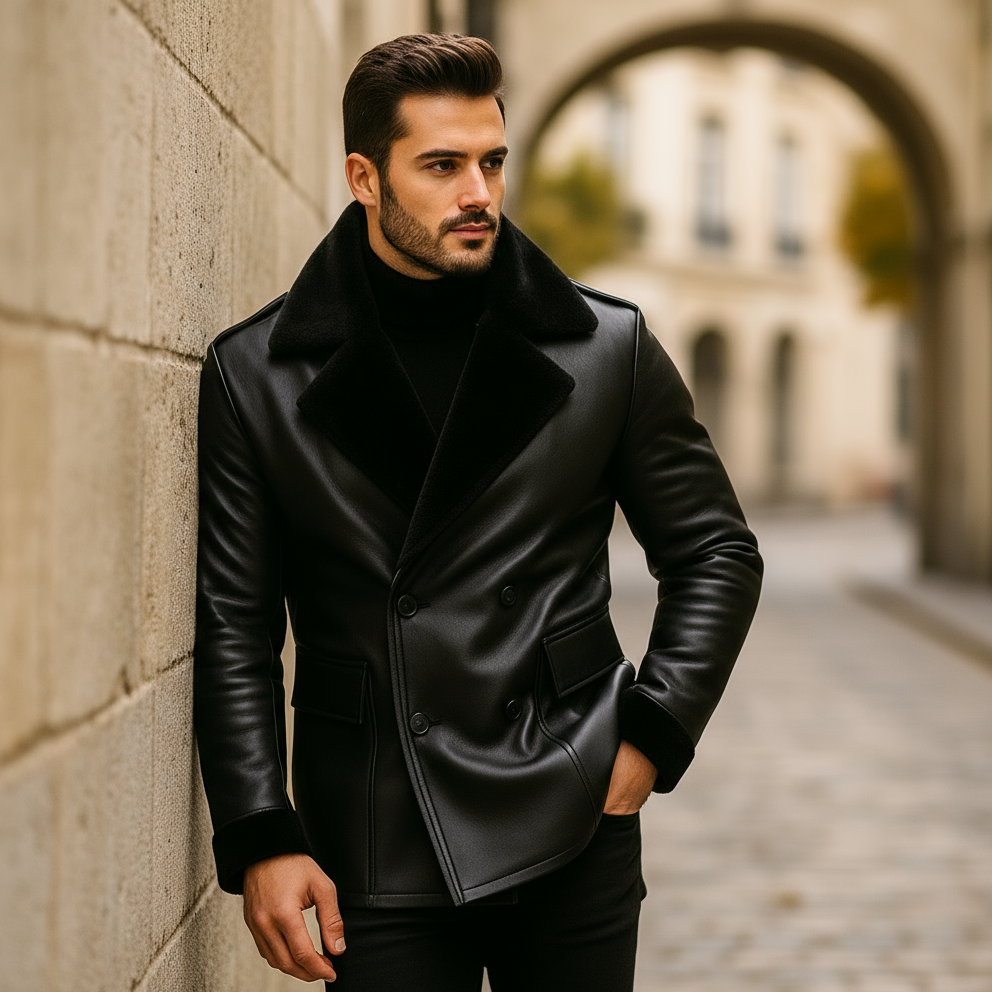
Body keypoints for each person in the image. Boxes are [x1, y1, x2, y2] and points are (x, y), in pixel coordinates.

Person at [194, 32, 762, 992]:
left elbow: (715, 550)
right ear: (364, 179)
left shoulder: (603, 350)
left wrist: (653, 734)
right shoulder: (256, 375)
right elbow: (234, 625)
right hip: (371, 834)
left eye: (492, 162)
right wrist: (260, 832)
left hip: (572, 808)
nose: (478, 194)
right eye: (443, 165)